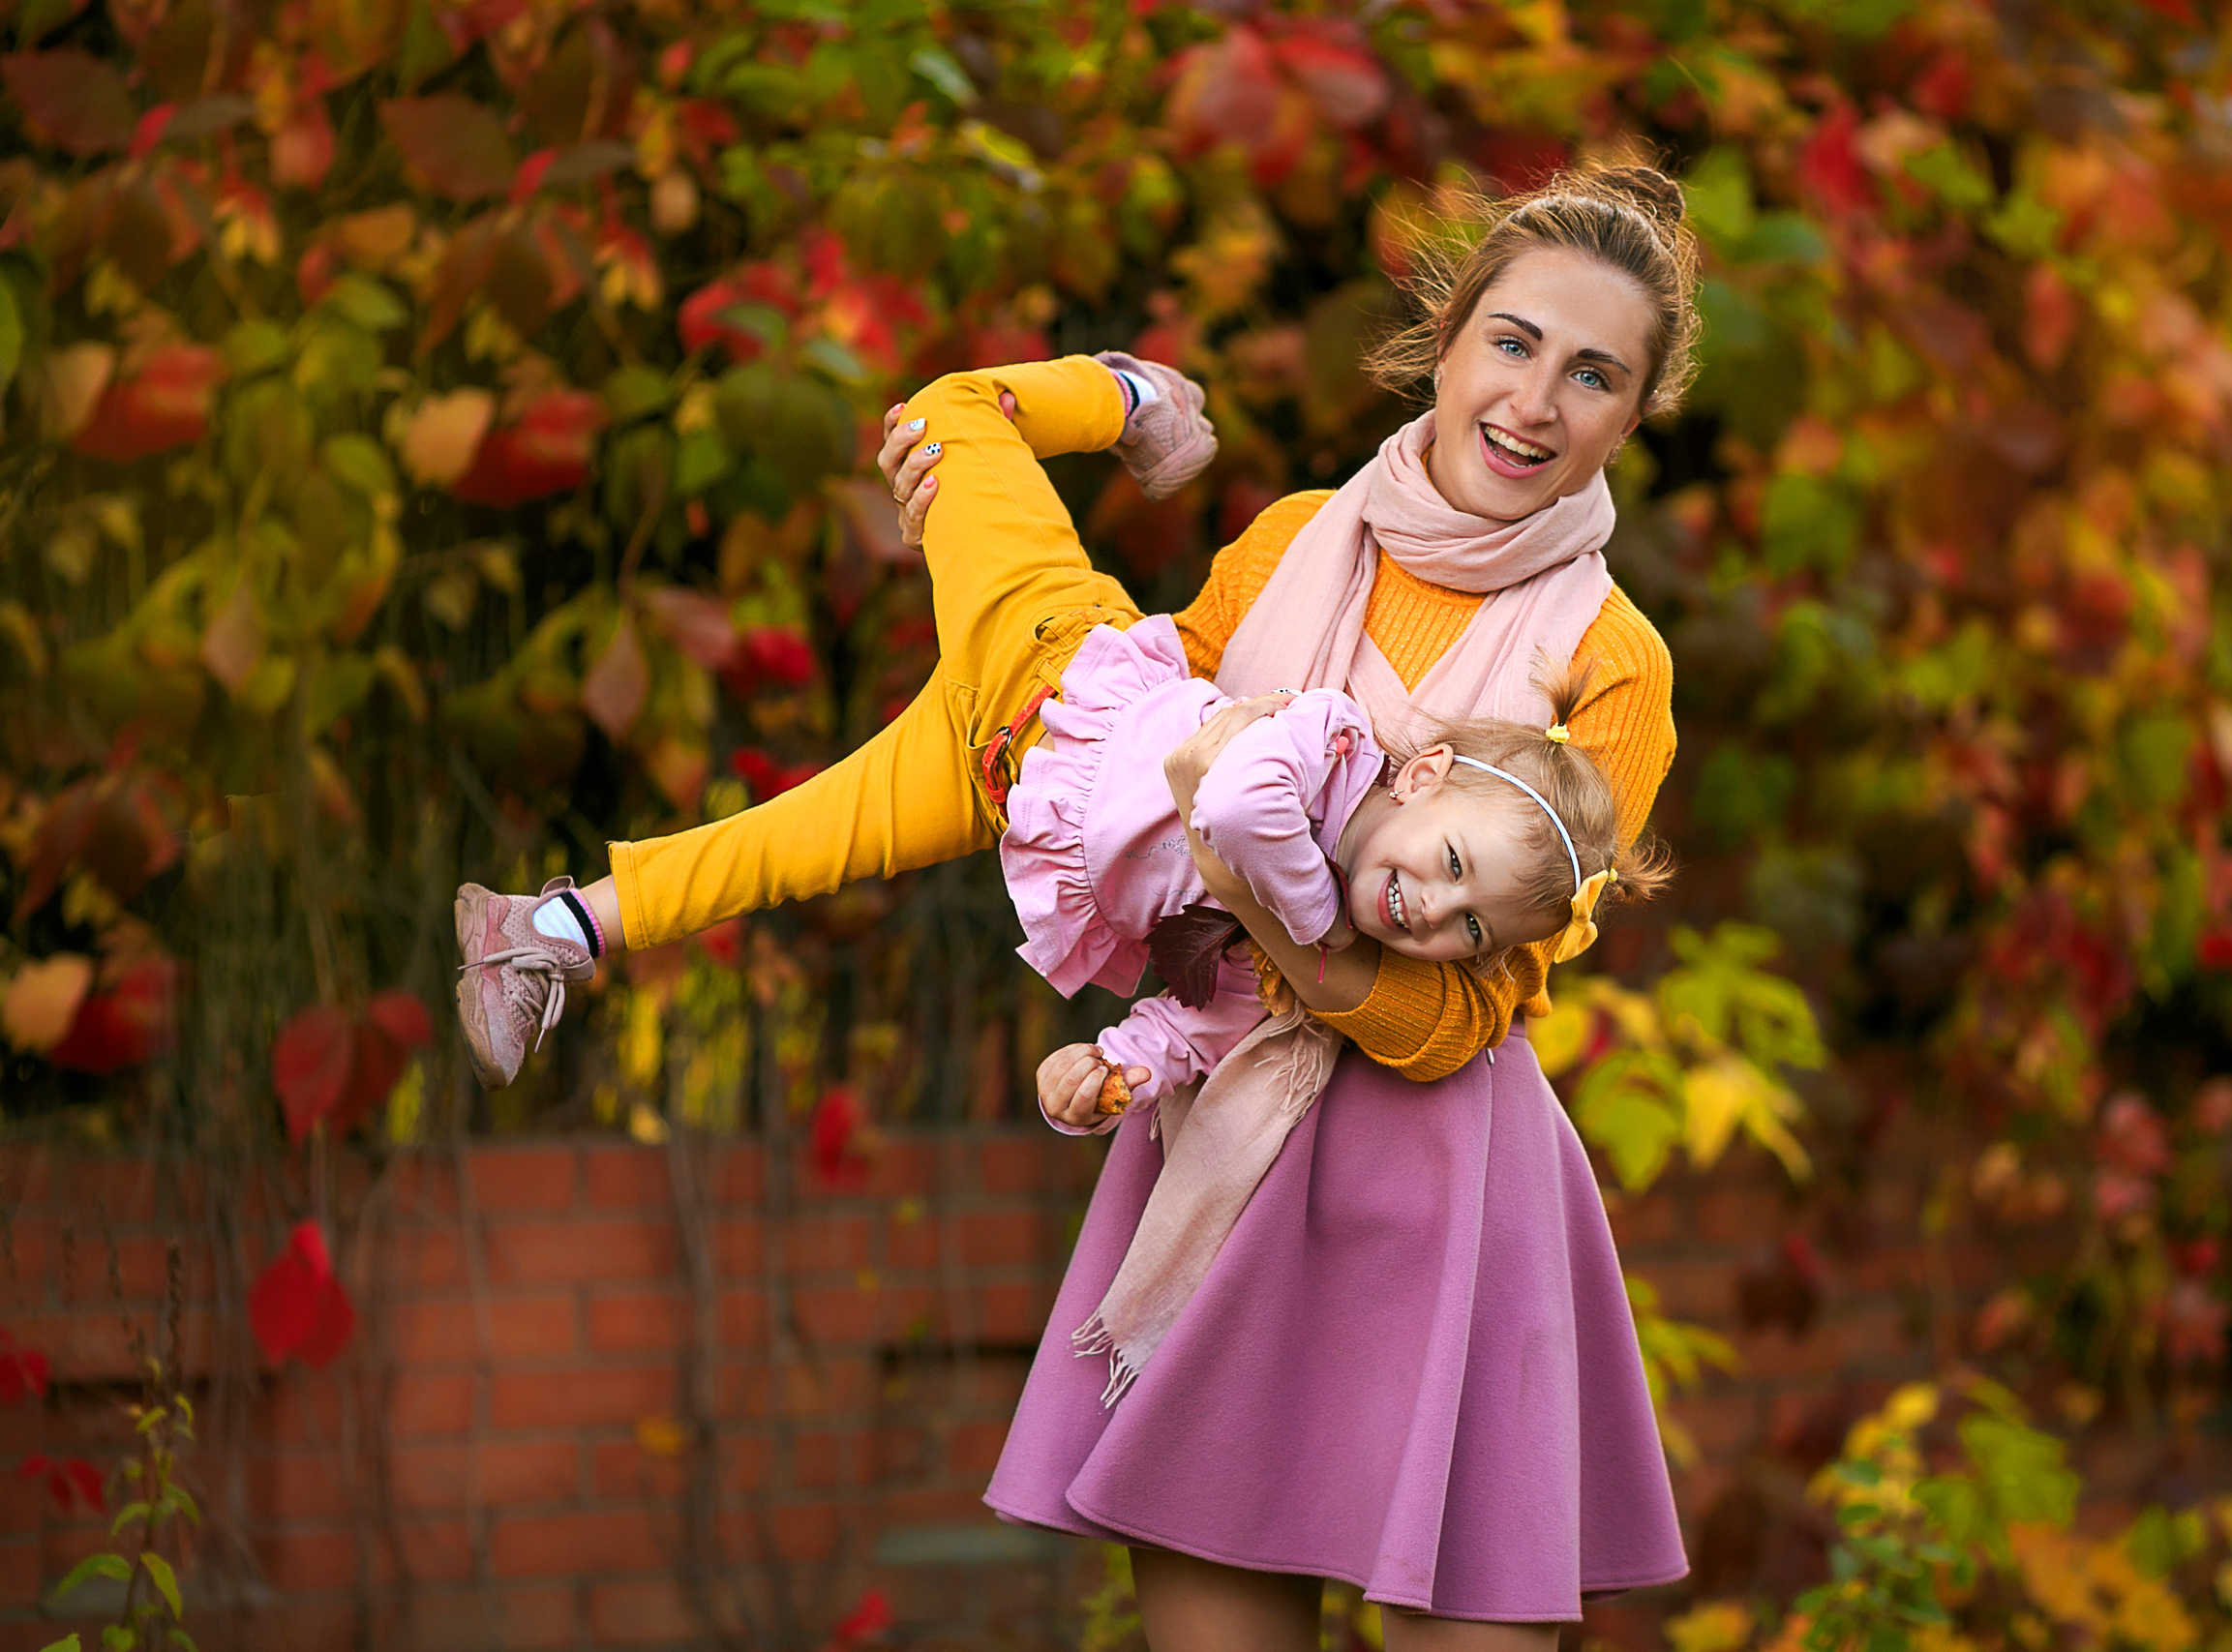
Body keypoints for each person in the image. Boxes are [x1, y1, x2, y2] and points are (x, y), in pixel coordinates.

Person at [470, 160, 1700, 1648]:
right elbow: (1136, 717)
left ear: (1636, 416)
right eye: (1511, 343)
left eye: (1595, 375)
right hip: (1220, 1156)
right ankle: (569, 925)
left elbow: (1461, 1013)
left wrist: (1283, 917)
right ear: (1444, 343)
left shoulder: (1614, 665)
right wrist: (968, 534)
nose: (1535, 400)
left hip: (1442, 1189)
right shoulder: (1297, 538)